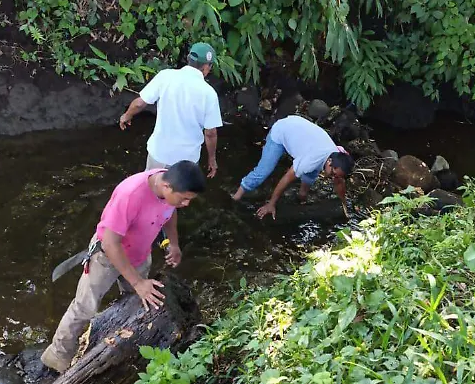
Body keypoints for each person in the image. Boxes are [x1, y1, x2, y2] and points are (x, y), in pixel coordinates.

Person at [40, 161, 206, 373]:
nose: (186, 204)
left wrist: (174, 243)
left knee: (137, 303)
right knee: (84, 307)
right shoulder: (131, 195)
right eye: (184, 199)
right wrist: (138, 282)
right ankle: (57, 358)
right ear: (167, 187)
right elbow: (110, 243)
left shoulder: (170, 191)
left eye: (189, 200)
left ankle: (122, 347)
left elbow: (170, 212)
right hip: (106, 257)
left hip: (139, 254)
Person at [119, 42, 223, 177]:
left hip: (159, 154)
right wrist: (212, 159)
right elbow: (210, 133)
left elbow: (139, 103)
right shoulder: (209, 94)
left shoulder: (165, 76)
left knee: (152, 193)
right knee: (180, 197)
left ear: (188, 60)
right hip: (186, 161)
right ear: (205, 67)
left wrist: (126, 116)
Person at [232, 115, 354, 220]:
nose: (333, 177)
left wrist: (344, 205)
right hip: (281, 132)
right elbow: (286, 178)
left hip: (299, 133)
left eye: (335, 175)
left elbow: (339, 182)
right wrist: (271, 204)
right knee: (263, 171)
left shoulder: (338, 157)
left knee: (311, 174)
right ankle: (236, 196)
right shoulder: (311, 160)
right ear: (329, 161)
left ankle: (302, 195)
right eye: (332, 173)